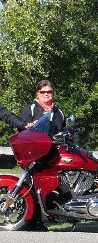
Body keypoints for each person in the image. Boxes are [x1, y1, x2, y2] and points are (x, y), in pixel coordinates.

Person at [20, 79, 66, 231]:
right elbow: (23, 131)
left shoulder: (58, 111)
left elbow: (63, 132)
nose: (46, 94)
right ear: (37, 93)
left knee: (52, 186)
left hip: (53, 156)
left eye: (49, 92)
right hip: (34, 156)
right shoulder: (31, 109)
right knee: (32, 188)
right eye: (43, 92)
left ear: (53, 93)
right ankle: (32, 221)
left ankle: (51, 215)